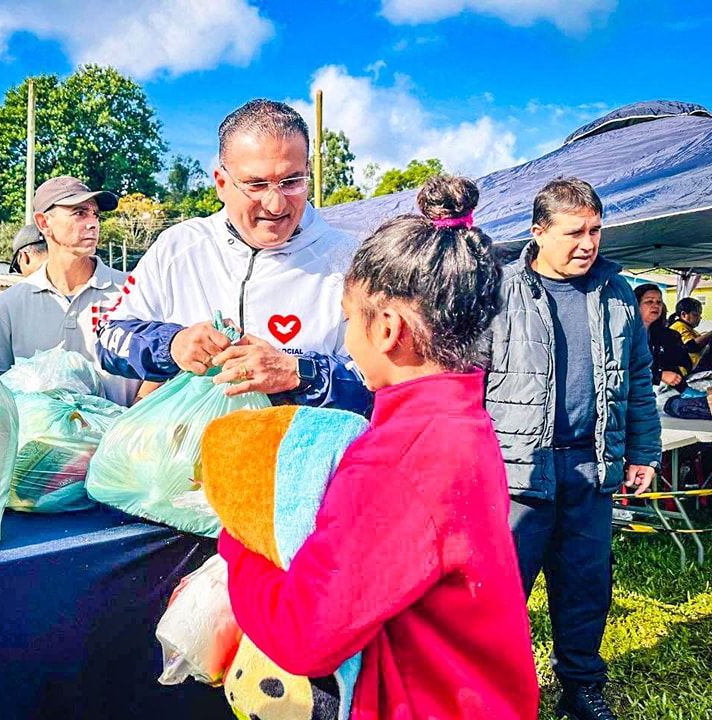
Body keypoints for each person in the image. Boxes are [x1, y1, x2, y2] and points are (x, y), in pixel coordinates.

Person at [219, 176, 539, 719]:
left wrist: (237, 538)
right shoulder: (460, 418)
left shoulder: (400, 458)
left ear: (387, 328)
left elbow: (306, 635)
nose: (346, 338)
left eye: (348, 318)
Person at [483, 178, 661, 720]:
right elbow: (469, 379)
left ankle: (582, 687)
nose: (588, 243)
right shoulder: (499, 290)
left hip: (591, 466)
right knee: (501, 594)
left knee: (586, 587)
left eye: (596, 230)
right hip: (516, 471)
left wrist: (643, 452)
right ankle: (493, 693)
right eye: (574, 232)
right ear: (538, 233)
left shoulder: (617, 291)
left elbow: (637, 376)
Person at [96, 99, 370, 414]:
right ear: (222, 183)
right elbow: (108, 338)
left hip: (299, 458)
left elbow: (386, 378)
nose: (276, 204)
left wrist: (298, 372)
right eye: (256, 184)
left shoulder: (349, 259)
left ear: (308, 172)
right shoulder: (178, 247)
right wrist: (172, 344)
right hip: (180, 455)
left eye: (291, 182)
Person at [0, 176, 140, 406]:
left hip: (119, 438)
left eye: (96, 215)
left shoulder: (133, 291)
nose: (93, 223)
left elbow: (159, 370)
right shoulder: (10, 304)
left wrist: (129, 423)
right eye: (79, 213)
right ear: (43, 223)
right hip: (37, 440)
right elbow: (2, 388)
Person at [634, 284, 692, 390]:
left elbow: (684, 362)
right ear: (636, 305)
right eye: (649, 301)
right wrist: (659, 375)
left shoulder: (668, 335)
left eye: (659, 302)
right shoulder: (626, 335)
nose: (656, 306)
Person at [668, 296, 712, 369]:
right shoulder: (679, 327)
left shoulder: (687, 328)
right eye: (696, 314)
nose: (700, 317)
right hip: (689, 368)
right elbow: (691, 346)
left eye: (700, 314)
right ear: (684, 315)